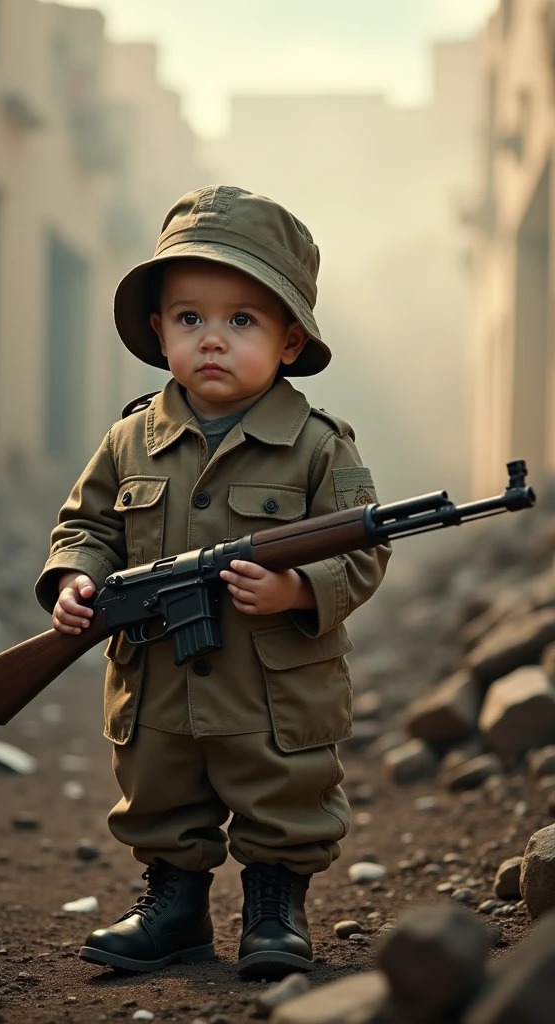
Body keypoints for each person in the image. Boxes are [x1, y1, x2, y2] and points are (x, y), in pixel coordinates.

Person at [35, 185, 391, 977]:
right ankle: (173, 906)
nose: (213, 341)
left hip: (274, 688)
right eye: (190, 318)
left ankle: (274, 907)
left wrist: (300, 592)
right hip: (157, 677)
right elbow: (86, 525)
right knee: (160, 791)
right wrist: (75, 581)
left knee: (283, 791)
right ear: (159, 331)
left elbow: (366, 548)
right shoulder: (130, 438)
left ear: (291, 340)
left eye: (243, 320)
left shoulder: (318, 445)